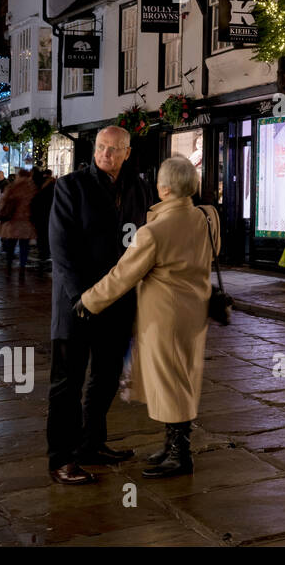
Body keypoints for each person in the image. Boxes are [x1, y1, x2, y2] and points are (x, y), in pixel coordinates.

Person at [74, 155, 218, 479]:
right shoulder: (206, 219)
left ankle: (180, 453)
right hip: (195, 312)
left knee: (169, 381)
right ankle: (172, 445)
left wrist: (88, 300)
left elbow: (122, 275)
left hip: (163, 316)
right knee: (183, 377)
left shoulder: (154, 231)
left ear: (164, 188)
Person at [46, 126, 155, 486]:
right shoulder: (71, 186)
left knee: (106, 377)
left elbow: (142, 244)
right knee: (67, 383)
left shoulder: (138, 188)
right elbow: (61, 250)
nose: (106, 154)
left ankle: (92, 444)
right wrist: (82, 298)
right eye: (101, 148)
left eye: (114, 149)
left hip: (120, 302)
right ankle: (62, 458)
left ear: (127, 152)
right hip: (76, 304)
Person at [0, 168, 37, 271]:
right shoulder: (31, 189)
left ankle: (9, 262)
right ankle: (22, 264)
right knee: (24, 244)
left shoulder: (13, 187)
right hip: (26, 221)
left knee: (11, 243)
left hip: (13, 220)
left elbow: (4, 201)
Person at [31, 170, 56, 271]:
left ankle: (43, 254)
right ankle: (46, 254)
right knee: (47, 234)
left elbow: (33, 200)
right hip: (49, 213)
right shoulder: (53, 184)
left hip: (39, 213)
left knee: (41, 235)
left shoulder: (36, 184)